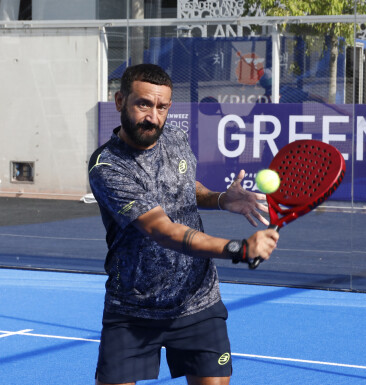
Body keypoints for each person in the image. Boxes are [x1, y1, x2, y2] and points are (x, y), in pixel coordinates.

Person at [88, 63, 279, 385]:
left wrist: (220, 199)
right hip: (134, 309)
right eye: (143, 104)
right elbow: (161, 230)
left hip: (198, 301)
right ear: (120, 101)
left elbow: (186, 186)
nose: (153, 116)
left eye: (161, 107)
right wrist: (239, 248)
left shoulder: (176, 138)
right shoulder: (107, 167)